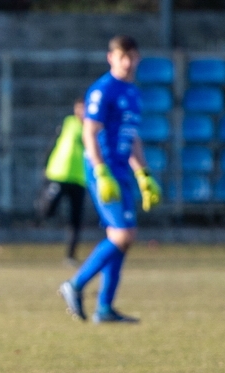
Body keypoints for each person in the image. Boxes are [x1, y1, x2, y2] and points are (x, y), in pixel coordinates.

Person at [58, 35, 162, 323]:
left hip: (122, 170)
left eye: (132, 56)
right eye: (122, 56)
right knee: (123, 234)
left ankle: (104, 308)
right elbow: (89, 132)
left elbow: (132, 137)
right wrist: (101, 171)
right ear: (111, 58)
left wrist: (144, 174)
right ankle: (74, 285)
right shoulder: (102, 90)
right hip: (103, 170)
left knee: (121, 237)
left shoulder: (132, 93)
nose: (128, 63)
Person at [35, 97, 88, 266]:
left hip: (80, 178)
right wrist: (45, 163)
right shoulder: (68, 123)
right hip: (60, 174)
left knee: (76, 220)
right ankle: (39, 212)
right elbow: (53, 143)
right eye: (79, 108)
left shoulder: (93, 127)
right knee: (48, 209)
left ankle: (70, 255)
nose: (81, 112)